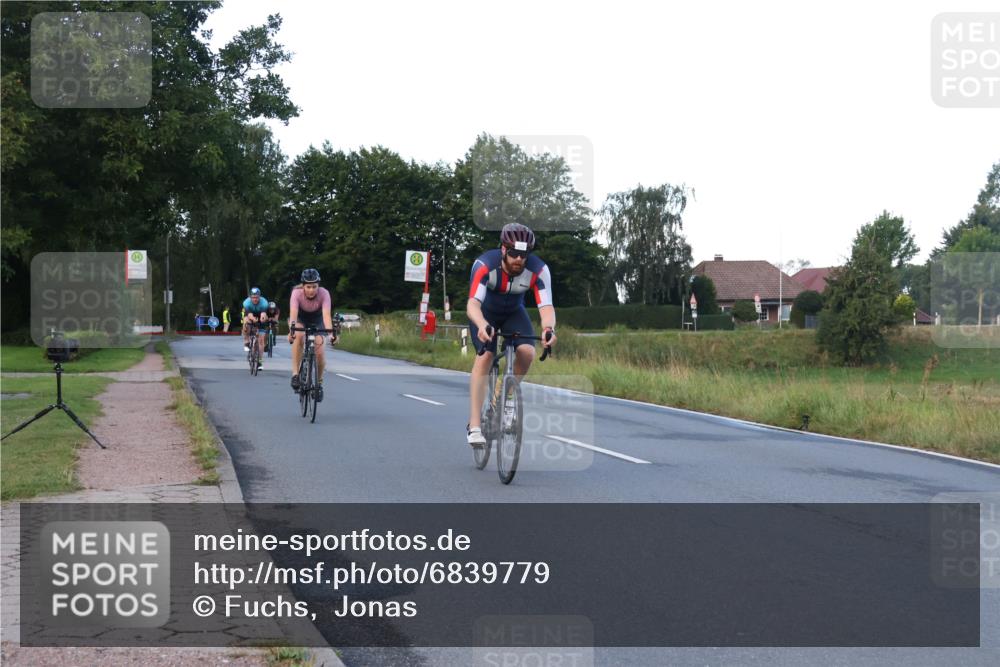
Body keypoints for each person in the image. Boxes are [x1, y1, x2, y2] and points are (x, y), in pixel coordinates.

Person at [465, 223, 556, 447]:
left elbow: (546, 307)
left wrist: (548, 329)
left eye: (524, 255)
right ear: (503, 250)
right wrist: (482, 324)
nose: (519, 260)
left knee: (527, 352)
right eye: (514, 253)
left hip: (514, 312)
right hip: (484, 313)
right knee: (485, 355)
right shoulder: (485, 265)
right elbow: (473, 304)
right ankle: (475, 426)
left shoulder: (539, 270)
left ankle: (502, 400)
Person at [287, 268, 338, 401]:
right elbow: (293, 314)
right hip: (300, 319)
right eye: (308, 287)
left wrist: (331, 334)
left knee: (320, 352)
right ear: (303, 286)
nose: (311, 290)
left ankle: (319, 383)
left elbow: (326, 316)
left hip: (317, 320)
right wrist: (291, 332)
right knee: (298, 336)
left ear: (318, 285)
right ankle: (295, 374)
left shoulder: (324, 294)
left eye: (314, 286)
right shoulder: (296, 293)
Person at [242, 287, 270, 368]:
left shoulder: (264, 302)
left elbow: (263, 314)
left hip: (260, 315)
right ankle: (246, 341)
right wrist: (254, 320)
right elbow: (249, 315)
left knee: (261, 341)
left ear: (259, 297)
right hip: (250, 315)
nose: (255, 299)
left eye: (257, 297)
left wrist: (262, 319)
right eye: (253, 297)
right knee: (247, 322)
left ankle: (260, 361)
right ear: (250, 297)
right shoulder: (246, 303)